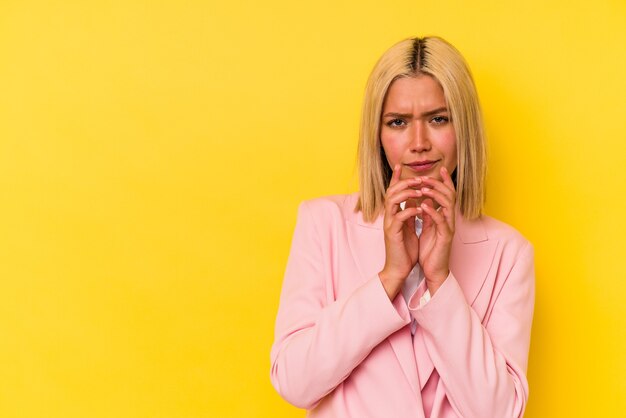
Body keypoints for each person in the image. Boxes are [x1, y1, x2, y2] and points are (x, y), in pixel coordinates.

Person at [270, 36, 535, 418]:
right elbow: (294, 382)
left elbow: (500, 411)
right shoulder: (322, 224)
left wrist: (440, 281)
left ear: (465, 128)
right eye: (398, 123)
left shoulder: (510, 253)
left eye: (438, 119)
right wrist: (389, 277)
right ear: (377, 135)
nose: (418, 143)